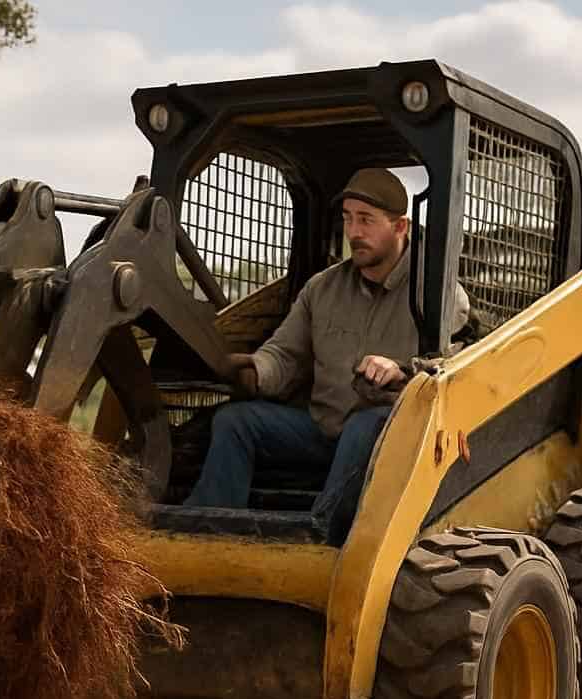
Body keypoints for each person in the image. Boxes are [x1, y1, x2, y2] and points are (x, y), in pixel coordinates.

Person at [183, 167, 469, 544]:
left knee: (365, 425)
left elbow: (457, 364)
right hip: (321, 429)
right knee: (237, 421)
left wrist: (403, 371)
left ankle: (319, 535)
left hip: (393, 446)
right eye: (348, 219)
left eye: (366, 220)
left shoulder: (438, 293)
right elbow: (285, 353)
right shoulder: (322, 289)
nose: (354, 232)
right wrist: (254, 371)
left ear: (401, 227)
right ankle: (207, 531)